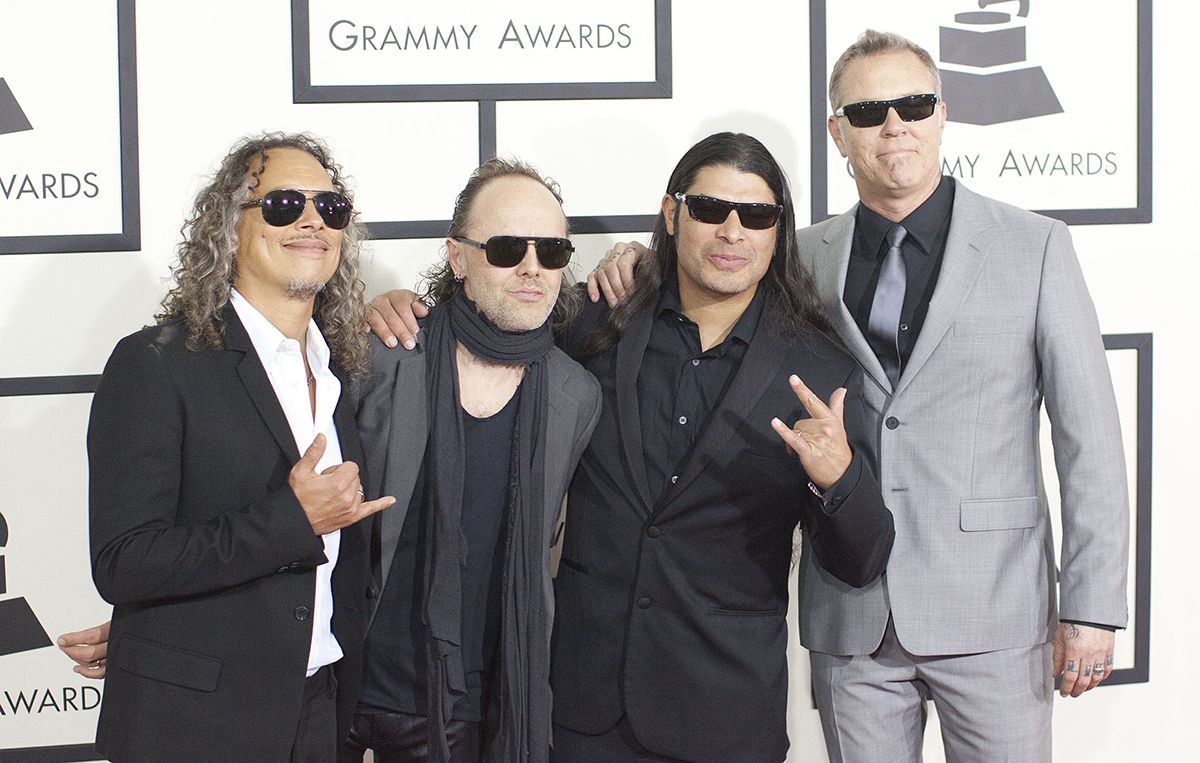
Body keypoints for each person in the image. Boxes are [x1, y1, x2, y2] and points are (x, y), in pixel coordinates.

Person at [591, 30, 1130, 763]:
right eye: (869, 109)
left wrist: (1093, 608)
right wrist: (631, 261)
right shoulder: (798, 254)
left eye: (912, 104)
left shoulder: (1034, 247)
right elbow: (704, 271)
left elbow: (1089, 439)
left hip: (995, 613)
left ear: (943, 113)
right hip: (852, 617)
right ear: (837, 132)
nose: (893, 125)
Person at [369, 132, 896, 761]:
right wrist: (403, 307)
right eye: (709, 210)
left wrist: (837, 481)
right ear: (672, 214)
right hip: (581, 710)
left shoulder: (819, 367)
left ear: (778, 230)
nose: (733, 232)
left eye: (756, 215)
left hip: (723, 717)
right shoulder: (594, 322)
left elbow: (861, 560)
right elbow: (494, 324)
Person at [86, 132, 393, 761]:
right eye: (283, 204)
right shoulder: (156, 363)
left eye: (330, 208)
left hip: (316, 712)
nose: (312, 220)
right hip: (193, 727)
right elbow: (123, 560)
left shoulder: (338, 371)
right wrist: (293, 519)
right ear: (229, 230)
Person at [342, 159, 601, 762]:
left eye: (553, 250)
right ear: (457, 257)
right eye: (508, 248)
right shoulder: (385, 353)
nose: (533, 268)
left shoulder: (573, 396)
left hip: (468, 703)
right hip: (342, 679)